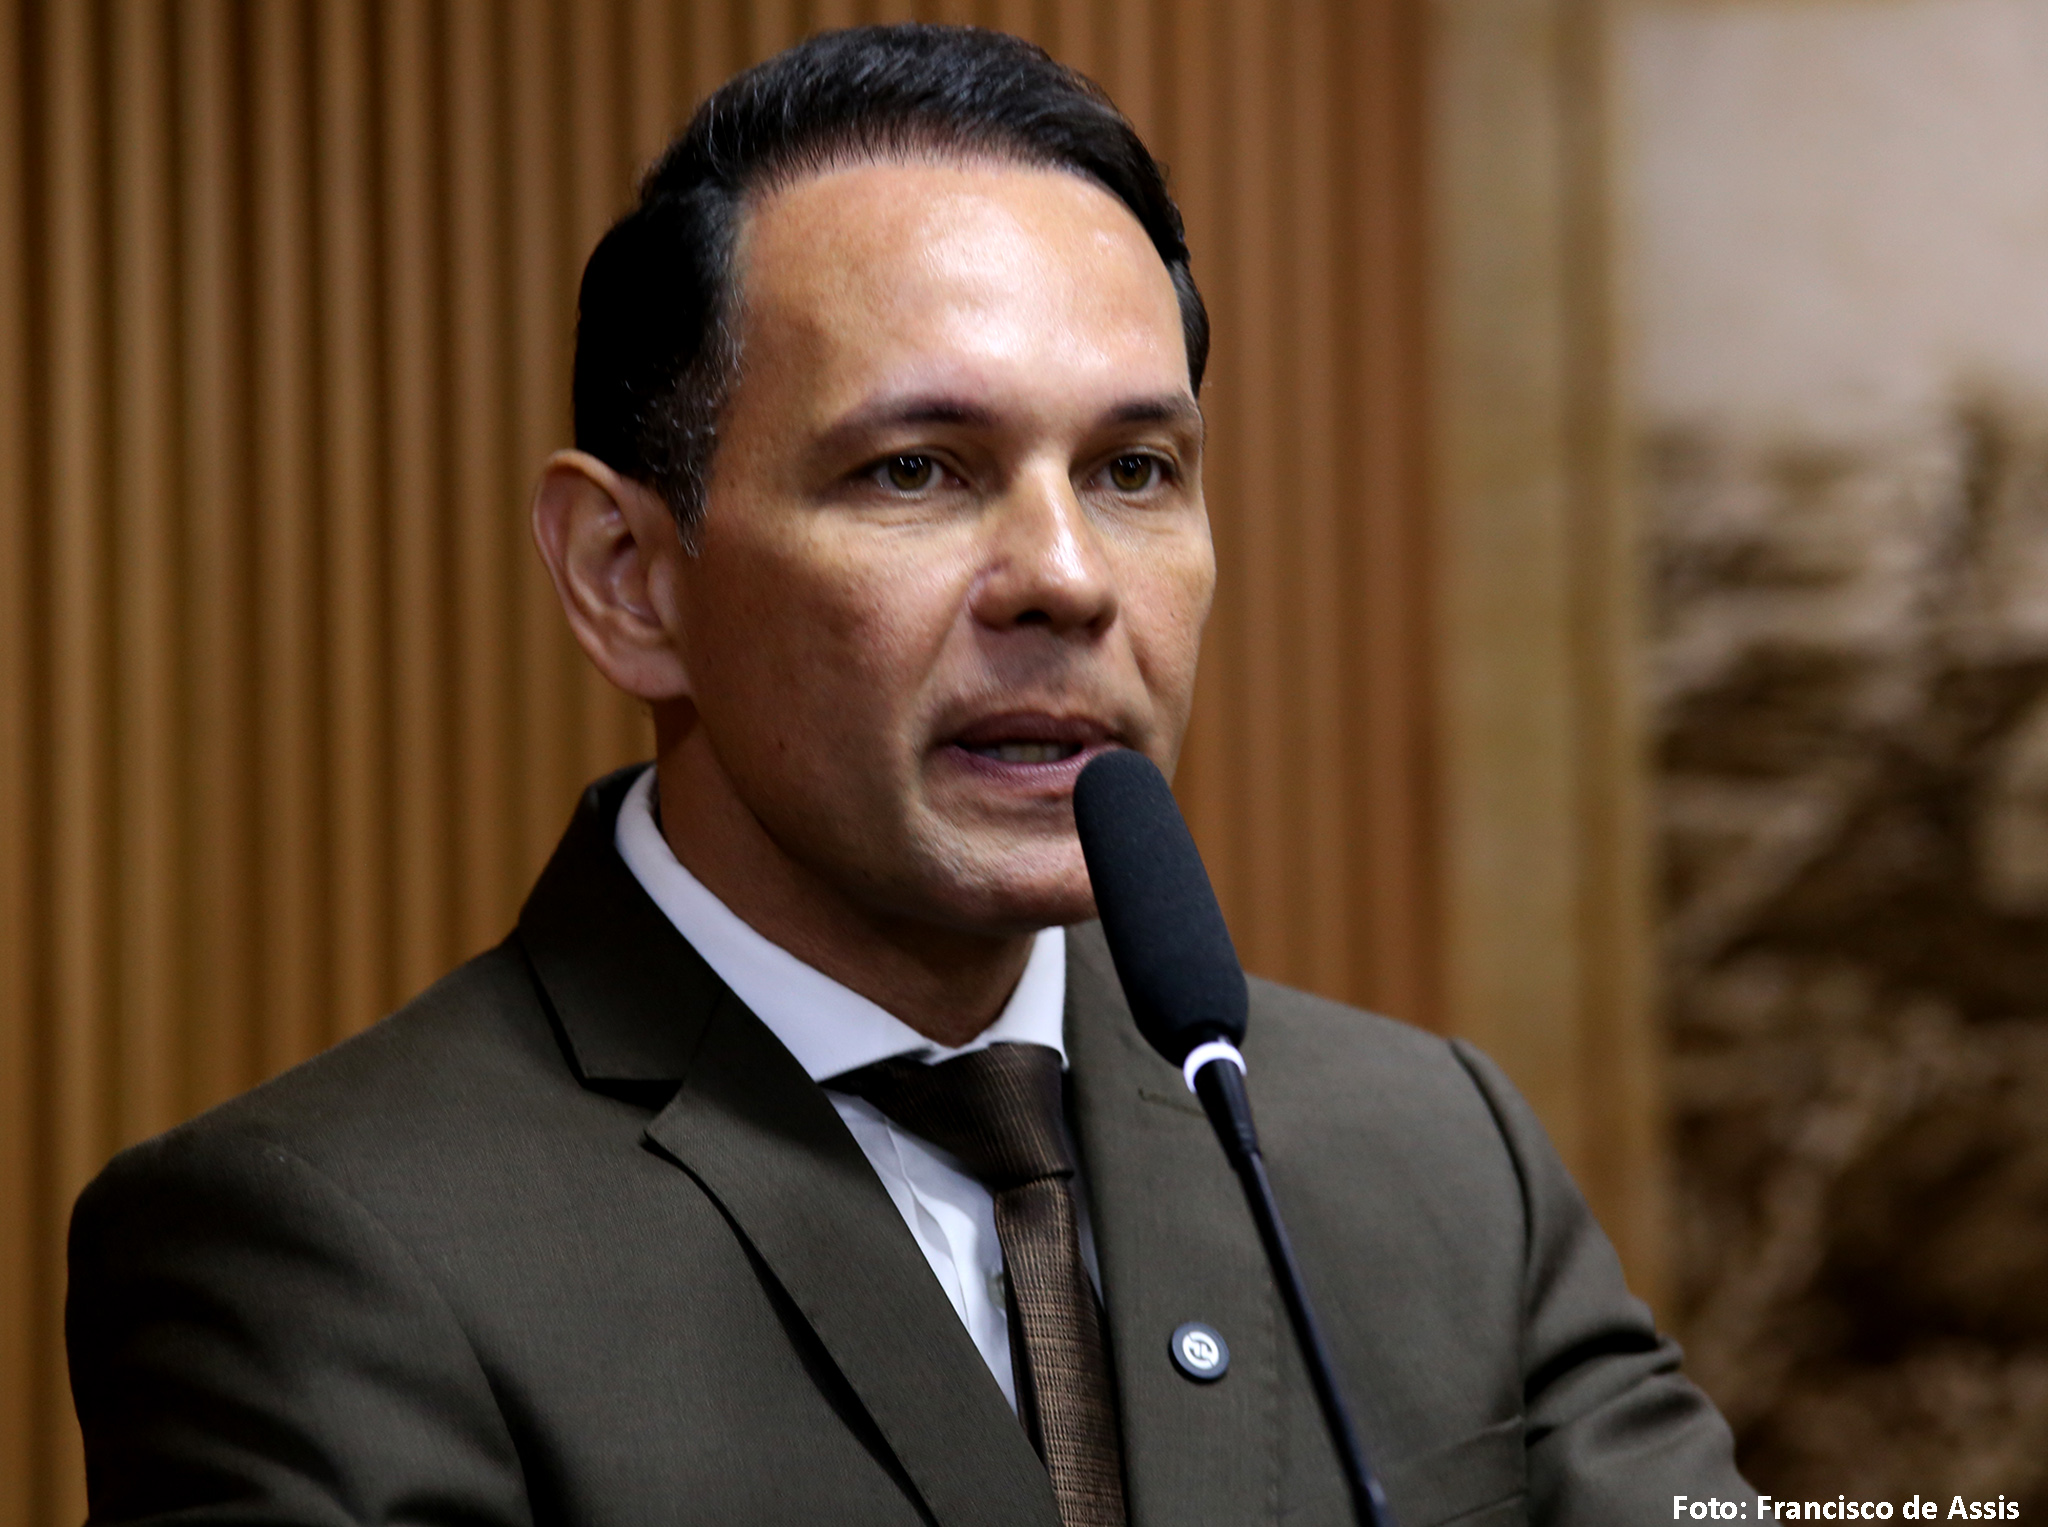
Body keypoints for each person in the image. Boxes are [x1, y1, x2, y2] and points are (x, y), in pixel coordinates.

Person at [66, 24, 1750, 1527]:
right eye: (918, 471)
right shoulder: (325, 1251)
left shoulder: (1431, 1153)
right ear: (628, 579)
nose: (1068, 578)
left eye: (1136, 469)